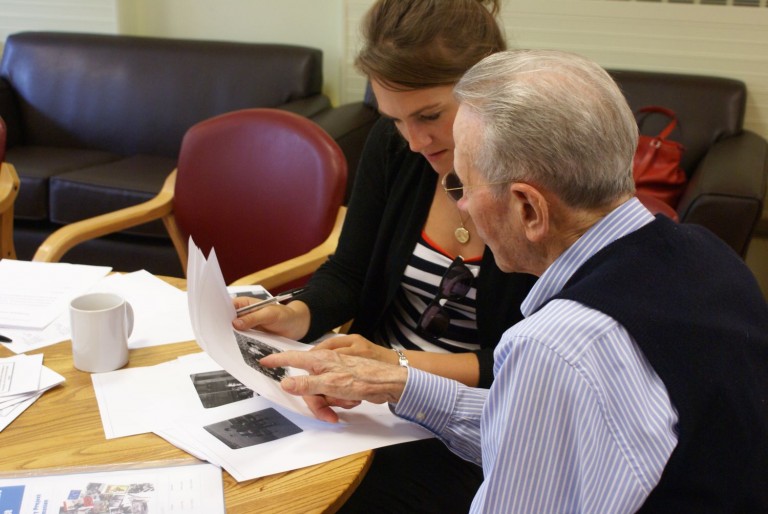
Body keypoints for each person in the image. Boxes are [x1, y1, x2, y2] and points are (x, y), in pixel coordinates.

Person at [260, 49, 768, 513]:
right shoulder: (712, 258)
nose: (458, 205)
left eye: (462, 185)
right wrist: (400, 383)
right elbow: (549, 433)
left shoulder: (554, 348)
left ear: (528, 207)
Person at [233, 1, 536, 511]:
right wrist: (296, 313)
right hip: (370, 401)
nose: (416, 142)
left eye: (431, 116)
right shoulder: (395, 149)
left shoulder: (539, 184)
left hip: (478, 428)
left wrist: (394, 368)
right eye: (394, 119)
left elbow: (528, 367)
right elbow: (351, 271)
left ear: (491, 85)